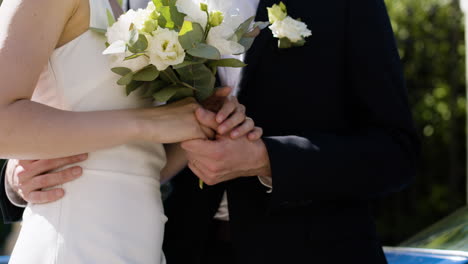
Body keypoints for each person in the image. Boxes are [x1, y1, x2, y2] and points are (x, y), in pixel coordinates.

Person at [1, 0, 420, 264]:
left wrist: (268, 159)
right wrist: (16, 178)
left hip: (311, 250)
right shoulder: (140, 7)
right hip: (173, 243)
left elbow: (396, 150)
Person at [0, 0, 261, 263]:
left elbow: (136, 160)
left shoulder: (131, 7)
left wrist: (201, 120)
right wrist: (150, 123)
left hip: (140, 241)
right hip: (78, 239)